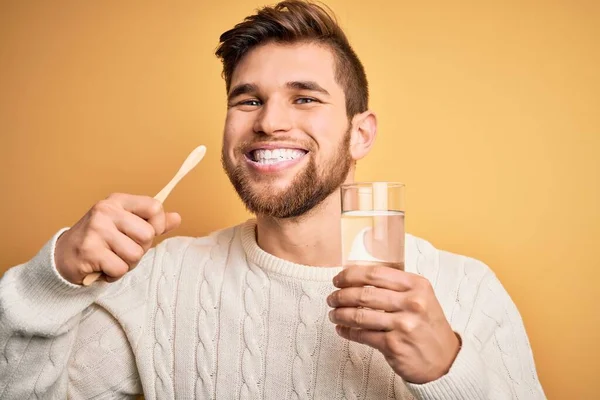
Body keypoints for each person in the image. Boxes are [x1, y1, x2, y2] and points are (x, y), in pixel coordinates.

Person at [0, 1, 546, 398]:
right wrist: (51, 279)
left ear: (361, 134)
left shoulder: (467, 291)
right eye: (248, 100)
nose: (270, 121)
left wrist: (449, 372)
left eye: (305, 98)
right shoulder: (160, 282)